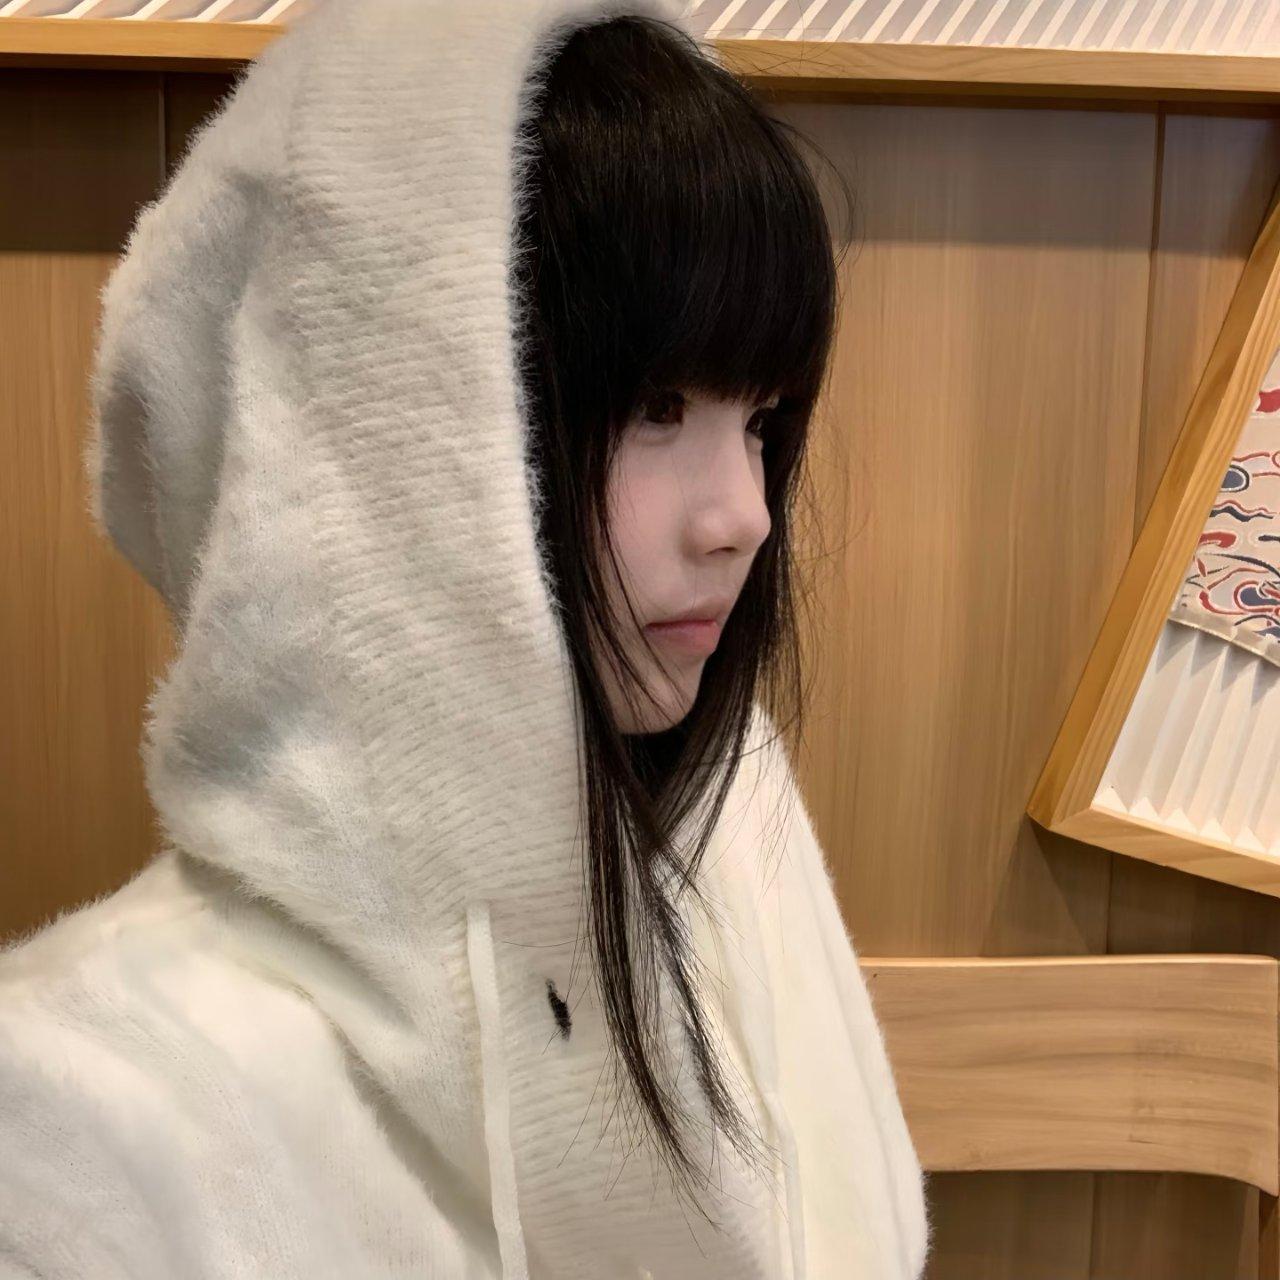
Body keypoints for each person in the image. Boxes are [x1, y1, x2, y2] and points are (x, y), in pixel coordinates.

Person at [0, 0, 931, 1276]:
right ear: (373, 439)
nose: (744, 516)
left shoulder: (732, 854)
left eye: (761, 419)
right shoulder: (83, 1123)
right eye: (655, 405)